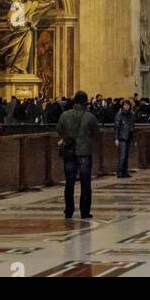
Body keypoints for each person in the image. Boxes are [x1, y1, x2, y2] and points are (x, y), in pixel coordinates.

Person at [57, 90, 100, 220]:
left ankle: (68, 210)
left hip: (69, 152)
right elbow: (96, 133)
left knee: (69, 183)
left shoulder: (65, 115)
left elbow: (59, 130)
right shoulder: (90, 117)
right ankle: (84, 211)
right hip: (84, 152)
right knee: (85, 183)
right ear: (86, 102)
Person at [114, 98, 136, 177]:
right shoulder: (119, 115)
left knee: (126, 156)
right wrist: (116, 138)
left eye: (128, 105)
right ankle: (119, 172)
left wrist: (134, 138)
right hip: (122, 137)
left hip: (128, 136)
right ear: (122, 106)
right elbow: (116, 127)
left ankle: (124, 171)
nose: (126, 106)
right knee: (122, 156)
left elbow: (132, 127)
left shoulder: (131, 114)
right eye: (125, 105)